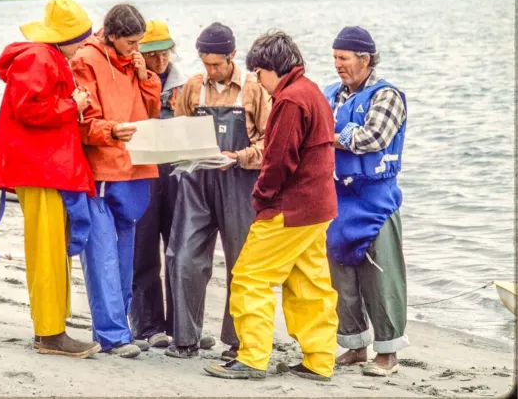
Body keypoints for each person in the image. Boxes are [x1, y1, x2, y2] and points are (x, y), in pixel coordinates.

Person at [204, 29, 339, 381]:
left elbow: (278, 162)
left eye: (259, 74)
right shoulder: (311, 92)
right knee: (309, 283)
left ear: (271, 68)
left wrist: (261, 198)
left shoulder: (290, 100)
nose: (259, 82)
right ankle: (319, 359)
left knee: (250, 277)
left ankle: (252, 357)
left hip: (290, 208)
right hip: (319, 206)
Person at [0, 0, 100, 359]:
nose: (87, 43)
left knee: (52, 248)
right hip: (38, 167)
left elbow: (36, 106)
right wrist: (74, 105)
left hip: (45, 166)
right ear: (65, 36)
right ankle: (49, 334)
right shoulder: (38, 57)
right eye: (83, 37)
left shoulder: (48, 56)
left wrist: (72, 104)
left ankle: (53, 328)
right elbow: (29, 108)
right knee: (46, 250)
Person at [165, 22, 271, 360]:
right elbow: (179, 129)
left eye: (217, 64)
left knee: (242, 261)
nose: (211, 70)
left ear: (232, 56)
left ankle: (238, 340)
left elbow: (269, 143)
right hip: (197, 182)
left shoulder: (254, 89)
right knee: (184, 256)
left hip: (240, 181)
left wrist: (238, 157)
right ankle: (185, 338)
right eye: (205, 63)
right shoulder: (193, 87)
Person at [70, 3, 162, 358]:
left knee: (126, 251)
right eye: (130, 43)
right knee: (102, 251)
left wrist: (145, 75)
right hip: (102, 170)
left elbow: (152, 111)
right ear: (110, 36)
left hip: (135, 168)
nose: (136, 49)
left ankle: (120, 327)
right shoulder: (86, 60)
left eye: (140, 43)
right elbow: (83, 121)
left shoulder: (134, 62)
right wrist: (111, 131)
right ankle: (110, 334)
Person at [322, 26, 409, 377]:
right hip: (337, 198)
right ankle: (355, 346)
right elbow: (318, 131)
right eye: (335, 58)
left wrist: (329, 136)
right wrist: (333, 136)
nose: (337, 65)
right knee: (340, 275)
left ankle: (387, 353)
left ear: (365, 59)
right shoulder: (330, 93)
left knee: (381, 276)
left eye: (343, 58)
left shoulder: (387, 96)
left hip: (376, 199)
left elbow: (372, 137)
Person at [129, 20, 210, 350]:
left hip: (178, 174)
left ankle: (183, 325)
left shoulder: (186, 84)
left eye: (164, 53)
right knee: (143, 247)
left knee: (181, 248)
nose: (160, 61)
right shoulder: (129, 80)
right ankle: (148, 325)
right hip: (142, 172)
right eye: (152, 55)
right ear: (139, 53)